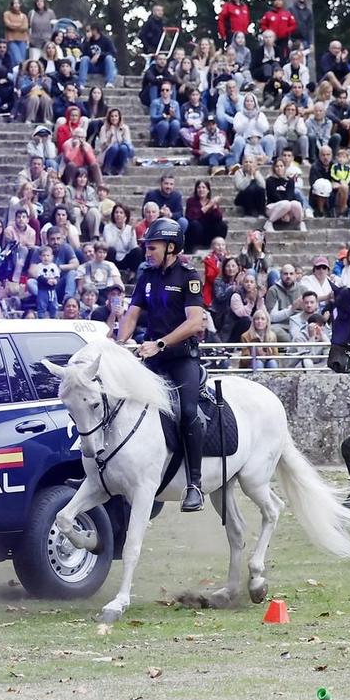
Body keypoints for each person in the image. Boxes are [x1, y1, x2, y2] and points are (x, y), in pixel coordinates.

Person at [113, 218, 209, 511]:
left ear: (170, 247)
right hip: (151, 357)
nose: (147, 252)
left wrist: (160, 344)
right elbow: (131, 314)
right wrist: (118, 342)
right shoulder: (147, 275)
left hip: (181, 359)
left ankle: (195, 484)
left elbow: (195, 322)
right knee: (117, 400)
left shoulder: (189, 276)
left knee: (188, 412)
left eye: (152, 247)